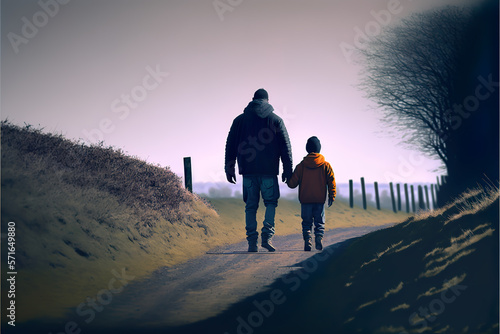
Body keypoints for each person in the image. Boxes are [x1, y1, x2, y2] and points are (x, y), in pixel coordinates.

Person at [225, 88, 293, 252]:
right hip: (269, 172)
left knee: (250, 206)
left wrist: (229, 168)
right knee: (270, 203)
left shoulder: (239, 121)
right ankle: (267, 236)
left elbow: (230, 145)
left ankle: (251, 243)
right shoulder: (276, 120)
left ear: (253, 100)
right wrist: (288, 170)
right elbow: (285, 147)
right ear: (267, 101)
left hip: (248, 171)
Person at [287, 136, 336, 251]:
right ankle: (318, 238)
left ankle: (308, 239)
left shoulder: (301, 166)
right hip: (319, 200)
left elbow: (292, 184)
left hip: (305, 200)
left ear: (307, 149)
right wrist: (332, 195)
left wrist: (288, 177)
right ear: (319, 149)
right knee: (319, 222)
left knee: (306, 222)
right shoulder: (325, 165)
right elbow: (331, 182)